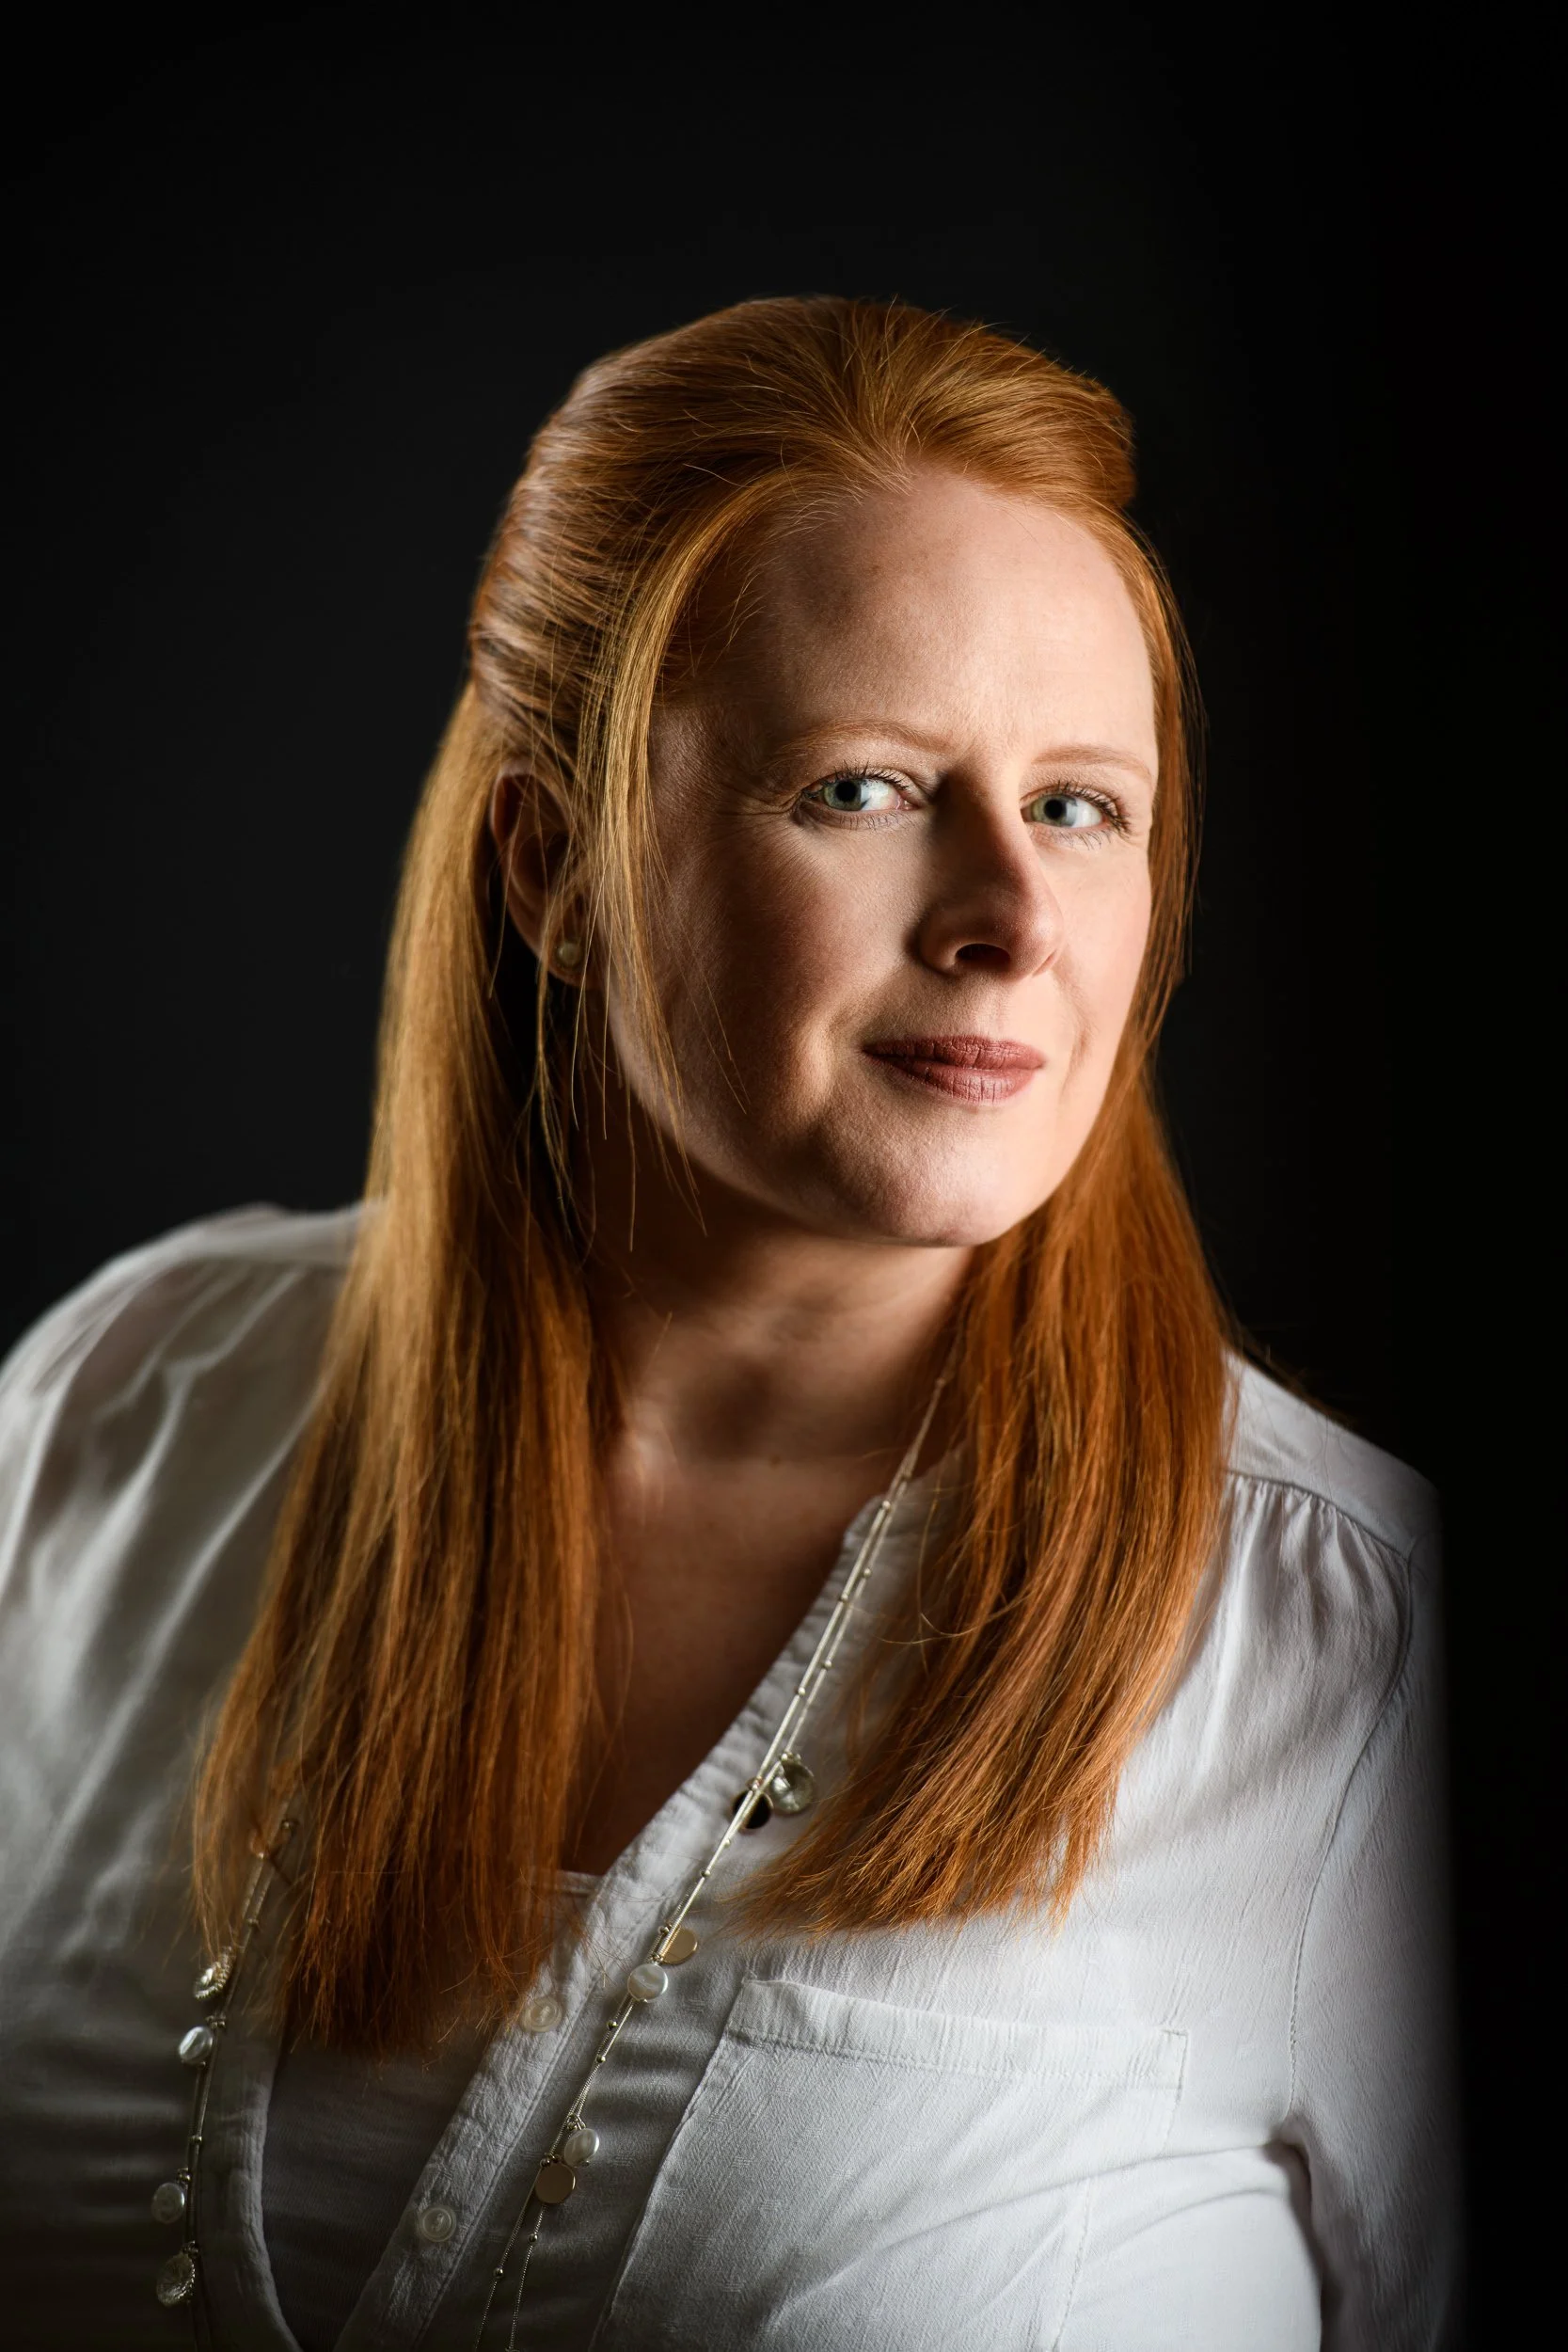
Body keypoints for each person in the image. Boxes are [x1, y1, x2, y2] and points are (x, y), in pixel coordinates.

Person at [0, 296, 1458, 2350]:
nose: (1007, 923)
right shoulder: (116, 1413)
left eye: (1076, 806)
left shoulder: (1360, 1664)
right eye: (862, 788)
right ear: (550, 862)